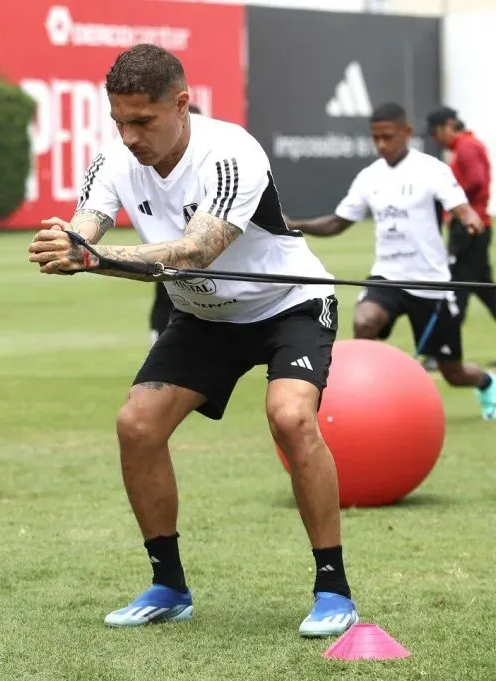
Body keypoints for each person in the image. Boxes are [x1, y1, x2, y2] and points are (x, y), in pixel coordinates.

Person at [28, 44, 357, 637]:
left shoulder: (232, 153)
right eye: (119, 121)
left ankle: (333, 588)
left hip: (290, 304)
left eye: (142, 121)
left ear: (180, 104)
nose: (129, 136)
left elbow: (196, 250)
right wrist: (65, 244)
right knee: (137, 425)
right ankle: (168, 585)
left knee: (290, 418)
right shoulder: (113, 160)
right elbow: (86, 232)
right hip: (204, 316)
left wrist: (90, 256)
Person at [286, 102, 496, 421]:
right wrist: (296, 224)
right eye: (376, 138)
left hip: (431, 284)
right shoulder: (369, 177)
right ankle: (371, 400)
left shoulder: (432, 170)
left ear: (407, 132)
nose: (381, 145)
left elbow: (460, 206)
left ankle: (485, 382)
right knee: (364, 321)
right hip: (387, 277)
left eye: (388, 137)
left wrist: (469, 218)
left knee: (453, 372)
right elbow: (337, 222)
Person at [423, 106, 496, 367]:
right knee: (486, 292)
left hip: (469, 229)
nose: (437, 139)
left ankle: (443, 351)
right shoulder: (466, 146)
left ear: (449, 125)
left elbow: (477, 181)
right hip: (475, 228)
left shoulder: (467, 147)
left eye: (437, 132)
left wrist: (456, 205)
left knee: (456, 291)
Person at [148, 104, 201, 344]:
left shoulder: (210, 167)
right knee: (166, 293)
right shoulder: (159, 168)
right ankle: (158, 341)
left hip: (200, 251)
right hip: (169, 248)